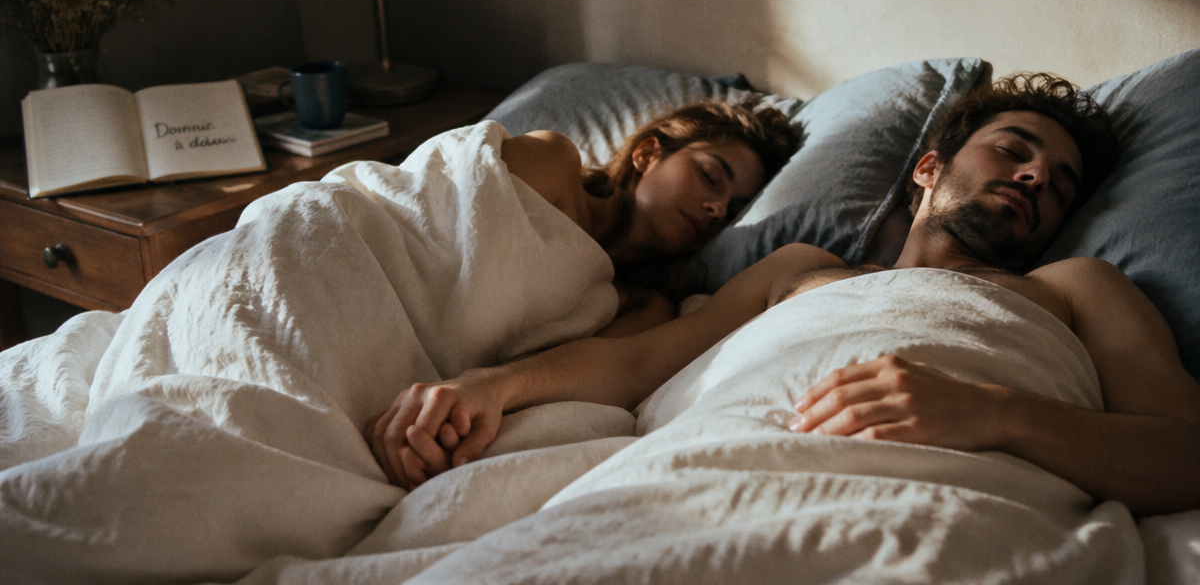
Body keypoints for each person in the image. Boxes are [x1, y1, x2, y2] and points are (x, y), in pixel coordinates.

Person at [366, 73, 1200, 516]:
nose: (1033, 178)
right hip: (690, 482)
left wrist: (997, 414)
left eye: (1058, 186)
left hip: (930, 505)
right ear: (929, 170)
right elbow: (640, 363)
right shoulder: (802, 268)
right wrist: (491, 385)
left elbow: (1189, 454)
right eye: (1014, 150)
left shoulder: (1076, 288)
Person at [499, 99, 799, 336]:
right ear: (647, 153)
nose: (718, 209)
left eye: (733, 212)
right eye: (710, 176)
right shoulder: (553, 161)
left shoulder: (645, 310)